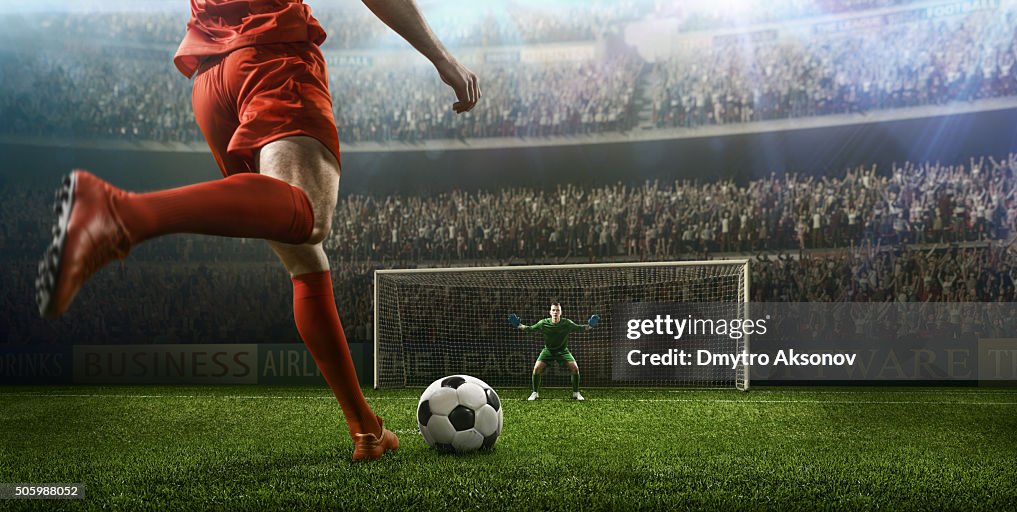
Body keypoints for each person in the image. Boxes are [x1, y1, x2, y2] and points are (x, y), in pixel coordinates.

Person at [34, 0, 479, 462]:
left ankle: (365, 428)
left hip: (209, 76)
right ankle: (120, 214)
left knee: (303, 254)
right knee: (309, 215)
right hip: (271, 53)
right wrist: (442, 58)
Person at [508, 303, 598, 401]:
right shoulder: (543, 323)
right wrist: (518, 325)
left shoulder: (566, 323)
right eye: (554, 310)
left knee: (575, 368)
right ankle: (535, 393)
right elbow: (530, 329)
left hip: (563, 351)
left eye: (557, 310)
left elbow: (580, 328)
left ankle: (576, 393)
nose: (555, 312)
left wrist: (590, 326)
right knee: (536, 368)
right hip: (548, 351)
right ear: (550, 312)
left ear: (561, 312)